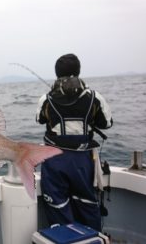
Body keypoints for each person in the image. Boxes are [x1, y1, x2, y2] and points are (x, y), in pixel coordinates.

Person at [36, 53, 113, 231]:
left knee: (57, 206)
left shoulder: (46, 99)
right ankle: (92, 237)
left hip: (54, 160)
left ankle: (65, 236)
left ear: (57, 73)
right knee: (87, 203)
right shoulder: (95, 98)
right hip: (83, 162)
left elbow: (39, 119)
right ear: (78, 71)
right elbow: (106, 123)